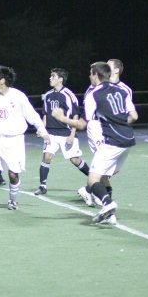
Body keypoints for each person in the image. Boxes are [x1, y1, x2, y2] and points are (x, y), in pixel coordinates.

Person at [52, 61, 138, 225]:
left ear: (96, 75)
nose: (89, 76)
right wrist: (119, 123)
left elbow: (83, 124)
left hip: (111, 141)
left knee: (92, 180)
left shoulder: (93, 94)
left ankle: (107, 203)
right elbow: (133, 116)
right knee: (104, 176)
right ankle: (109, 215)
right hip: (127, 140)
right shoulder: (121, 91)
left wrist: (62, 118)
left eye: (90, 73)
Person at [0, 65, 50, 211]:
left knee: (13, 175)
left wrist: (42, 131)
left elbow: (32, 115)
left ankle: (12, 201)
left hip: (15, 141)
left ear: (2, 80)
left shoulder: (18, 96)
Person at [34, 68, 90, 195]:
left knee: (75, 160)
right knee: (46, 156)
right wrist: (42, 131)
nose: (50, 78)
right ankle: (42, 186)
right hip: (51, 133)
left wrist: (72, 134)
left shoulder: (69, 95)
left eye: (53, 76)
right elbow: (45, 115)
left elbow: (75, 115)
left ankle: (94, 178)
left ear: (60, 79)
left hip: (66, 133)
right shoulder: (48, 95)